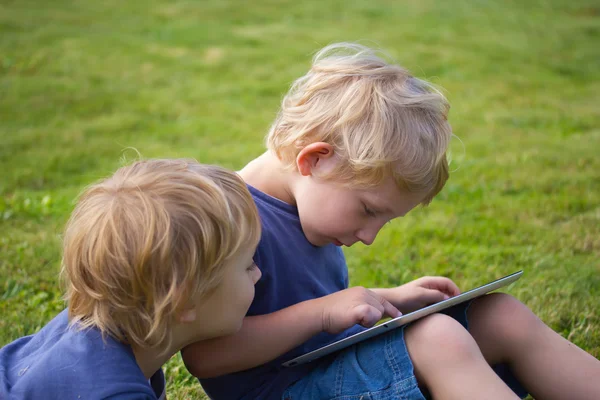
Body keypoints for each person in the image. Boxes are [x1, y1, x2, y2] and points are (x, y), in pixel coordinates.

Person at [182, 43, 600, 400]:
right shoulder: (226, 219)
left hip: (331, 367)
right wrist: (322, 314)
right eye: (368, 210)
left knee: (499, 315)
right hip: (285, 390)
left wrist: (389, 299)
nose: (368, 236)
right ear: (314, 159)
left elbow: (304, 302)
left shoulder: (311, 204)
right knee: (439, 339)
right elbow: (205, 355)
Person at [0, 159, 263, 399]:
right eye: (248, 265)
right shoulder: (112, 393)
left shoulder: (93, 328)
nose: (258, 274)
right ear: (183, 301)